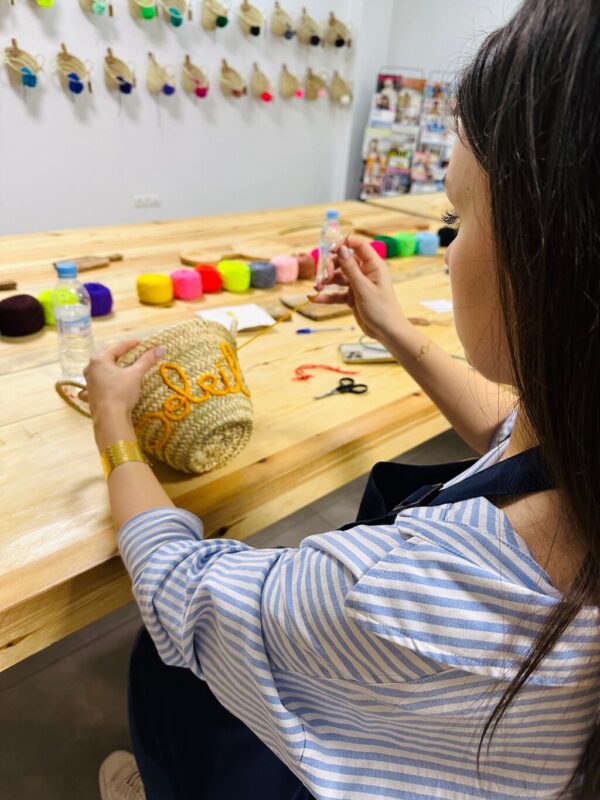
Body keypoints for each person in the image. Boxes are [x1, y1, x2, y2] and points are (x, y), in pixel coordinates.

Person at [92, 1, 600, 797]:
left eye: (452, 221)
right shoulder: (581, 460)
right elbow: (511, 432)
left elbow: (179, 586)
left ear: (550, 268)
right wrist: (394, 326)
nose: (445, 245)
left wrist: (116, 429)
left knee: (156, 655)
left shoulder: (401, 589)